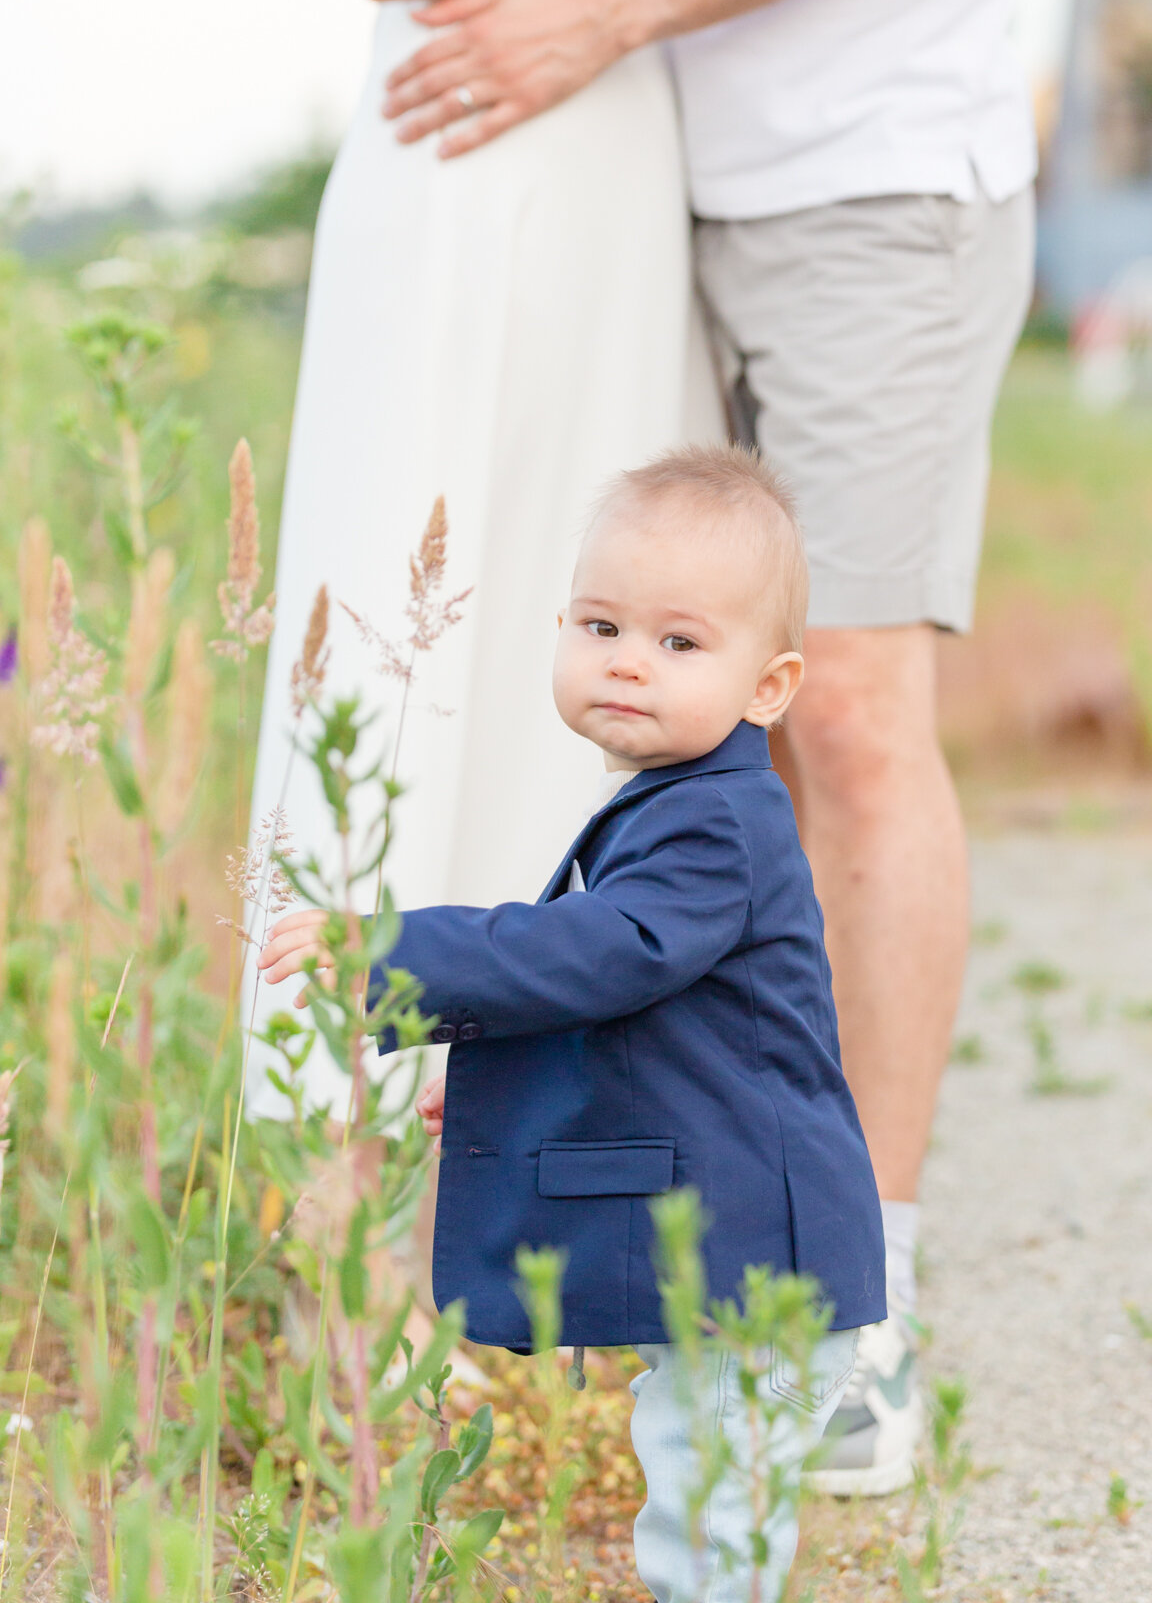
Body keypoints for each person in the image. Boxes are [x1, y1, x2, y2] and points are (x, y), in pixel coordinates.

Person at [380, 0, 1064, 1494]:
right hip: (617, 153)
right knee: (610, 696)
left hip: (864, 170)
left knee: (836, 709)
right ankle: (621, 1260)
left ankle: (855, 1305)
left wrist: (605, 7)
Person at [238, 0, 835, 1112]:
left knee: (618, 616)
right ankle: (349, 1130)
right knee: (427, 608)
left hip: (624, 142)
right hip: (472, 139)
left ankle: (580, 1107)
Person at [260, 446, 886, 1603]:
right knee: (699, 1471)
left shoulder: (717, 828)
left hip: (764, 1263)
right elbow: (648, 1022)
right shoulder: (680, 804)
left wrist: (393, 949)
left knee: (713, 1499)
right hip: (734, 1242)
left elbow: (605, 954)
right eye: (601, 625)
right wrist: (502, 1078)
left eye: (679, 641)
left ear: (771, 686)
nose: (629, 663)